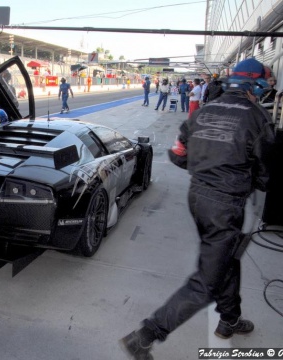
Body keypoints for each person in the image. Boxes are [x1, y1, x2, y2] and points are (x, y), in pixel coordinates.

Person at [120, 57, 275, 360]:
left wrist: (207, 165)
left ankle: (229, 320)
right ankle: (146, 335)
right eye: (264, 85)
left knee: (226, 260)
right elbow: (266, 176)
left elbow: (178, 155)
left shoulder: (203, 111)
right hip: (226, 204)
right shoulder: (258, 118)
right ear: (253, 84)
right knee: (206, 281)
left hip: (197, 198)